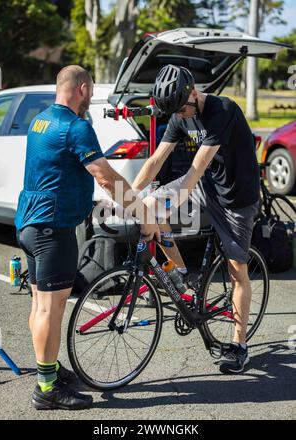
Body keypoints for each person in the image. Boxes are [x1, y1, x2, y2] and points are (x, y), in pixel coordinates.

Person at [15, 65, 160, 410]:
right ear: (81, 88)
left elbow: (57, 169)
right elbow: (106, 176)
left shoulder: (42, 120)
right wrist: (143, 214)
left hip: (29, 224)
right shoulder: (76, 127)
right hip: (53, 229)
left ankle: (47, 369)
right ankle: (46, 389)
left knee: (40, 305)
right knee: (52, 309)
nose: (91, 98)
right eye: (91, 92)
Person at [132, 64, 260, 374]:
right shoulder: (179, 114)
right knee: (151, 210)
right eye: (176, 112)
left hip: (237, 200)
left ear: (193, 93)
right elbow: (154, 161)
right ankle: (180, 275)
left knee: (236, 271)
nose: (182, 116)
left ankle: (239, 345)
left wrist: (147, 199)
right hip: (208, 190)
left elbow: (191, 175)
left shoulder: (222, 110)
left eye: (183, 109)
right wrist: (124, 197)